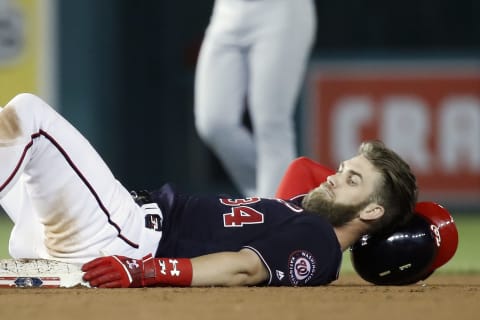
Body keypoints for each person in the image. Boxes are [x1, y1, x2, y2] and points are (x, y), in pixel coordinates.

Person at [0, 93, 418, 288]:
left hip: (122, 238)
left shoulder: (317, 240)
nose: (334, 176)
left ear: (372, 212)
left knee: (28, 117)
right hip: (78, 235)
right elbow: (304, 169)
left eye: (352, 179)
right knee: (15, 149)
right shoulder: (304, 212)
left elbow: (244, 268)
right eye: (344, 168)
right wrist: (387, 213)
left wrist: (143, 270)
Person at [194, 0, 317, 197]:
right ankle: (279, 198)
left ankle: (273, 210)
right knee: (214, 123)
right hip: (228, 11)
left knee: (271, 125)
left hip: (280, 11)